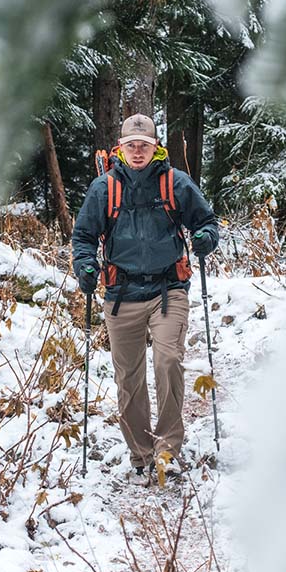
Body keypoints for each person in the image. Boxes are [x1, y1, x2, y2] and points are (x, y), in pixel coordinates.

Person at [72, 113, 219, 482]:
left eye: (144, 145)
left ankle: (166, 451)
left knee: (168, 360)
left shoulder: (175, 182)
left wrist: (205, 238)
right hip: (121, 294)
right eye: (131, 145)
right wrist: (85, 266)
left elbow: (206, 221)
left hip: (168, 289)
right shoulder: (104, 188)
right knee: (129, 378)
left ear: (156, 148)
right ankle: (140, 455)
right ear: (120, 148)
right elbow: (83, 237)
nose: (137, 151)